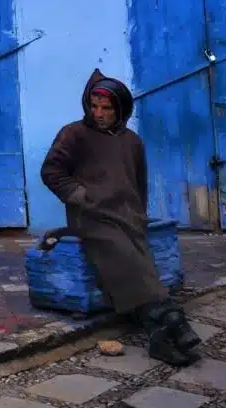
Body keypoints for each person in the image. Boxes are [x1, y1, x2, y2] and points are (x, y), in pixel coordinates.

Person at [40, 68, 202, 366]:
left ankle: (165, 328)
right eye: (94, 106)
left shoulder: (132, 141)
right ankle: (172, 321)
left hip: (126, 216)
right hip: (91, 217)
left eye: (107, 108)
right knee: (123, 253)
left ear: (121, 110)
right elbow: (51, 171)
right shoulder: (73, 133)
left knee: (139, 261)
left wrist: (138, 213)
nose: (99, 113)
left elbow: (139, 182)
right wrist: (81, 197)